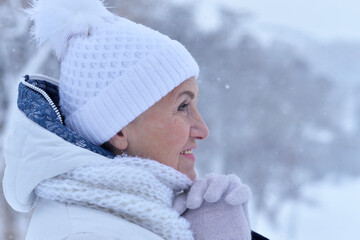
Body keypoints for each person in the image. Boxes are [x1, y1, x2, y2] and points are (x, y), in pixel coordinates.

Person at [2, 0, 268, 239]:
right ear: (118, 129)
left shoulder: (134, 216)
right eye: (183, 106)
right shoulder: (85, 233)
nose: (202, 129)